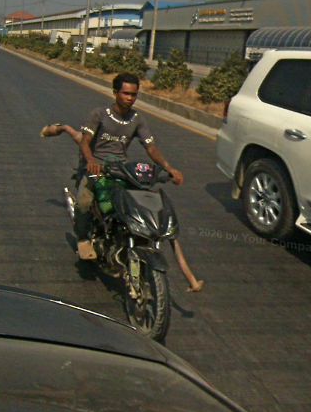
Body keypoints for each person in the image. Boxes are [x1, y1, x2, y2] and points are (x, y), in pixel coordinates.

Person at [40, 72, 204, 292]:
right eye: (126, 93)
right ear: (115, 92)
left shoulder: (137, 119)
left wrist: (169, 168)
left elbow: (151, 147)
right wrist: (91, 162)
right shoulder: (99, 114)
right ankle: (83, 238)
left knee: (136, 203)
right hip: (96, 167)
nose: (130, 98)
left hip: (121, 170)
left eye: (134, 94)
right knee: (85, 202)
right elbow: (85, 141)